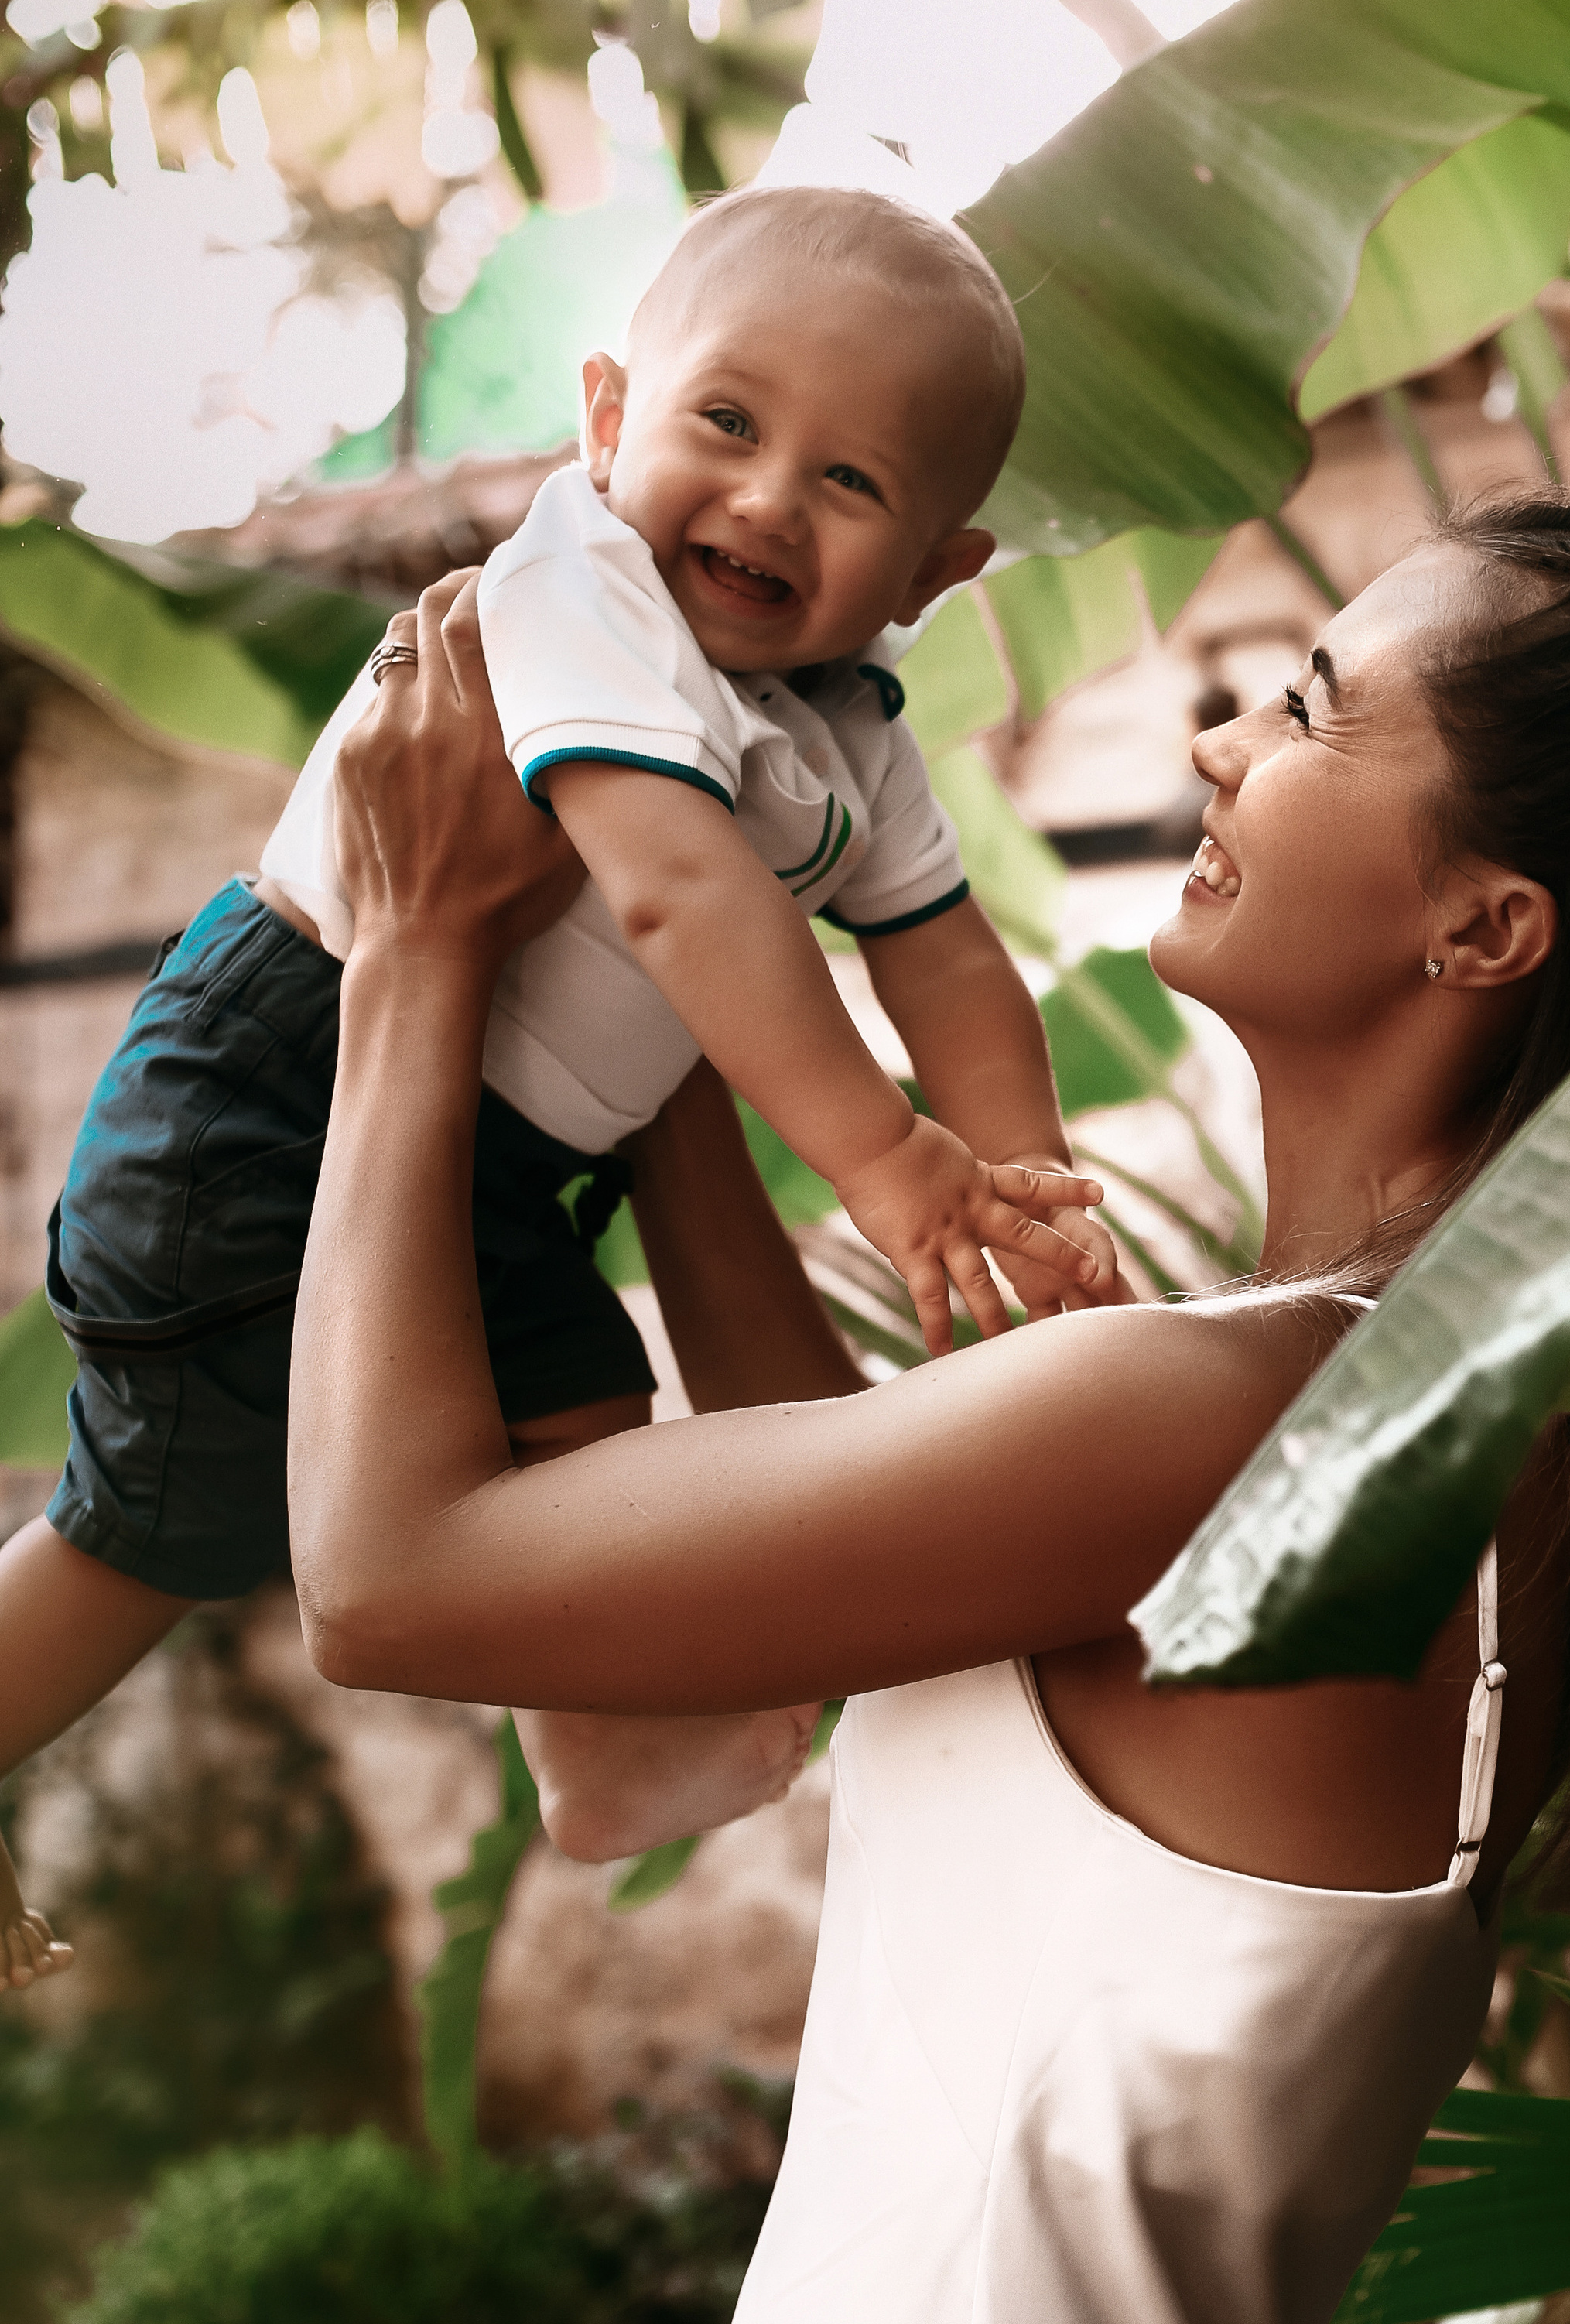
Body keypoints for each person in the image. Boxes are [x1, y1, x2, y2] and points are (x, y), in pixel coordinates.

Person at [286, 496, 1570, 2324]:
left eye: (1311, 713)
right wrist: (661, 995)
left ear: (1484, 927)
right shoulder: (1431, 1439)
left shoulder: (1223, 1422)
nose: (1216, 741)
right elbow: (805, 1554)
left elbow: (386, 1581)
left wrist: (409, 951)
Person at [0, 187, 1116, 1996]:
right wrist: (893, 1166)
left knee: (569, 1448)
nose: (764, 499)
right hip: (277, 1097)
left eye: (849, 484)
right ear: (608, 424)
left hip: (484, 1161)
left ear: (936, 571)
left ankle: (628, 1751)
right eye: (726, 424)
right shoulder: (578, 590)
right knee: (146, 1531)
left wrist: (1023, 1182)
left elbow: (950, 958)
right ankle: (632, 1743)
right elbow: (677, 891)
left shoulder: (848, 729)